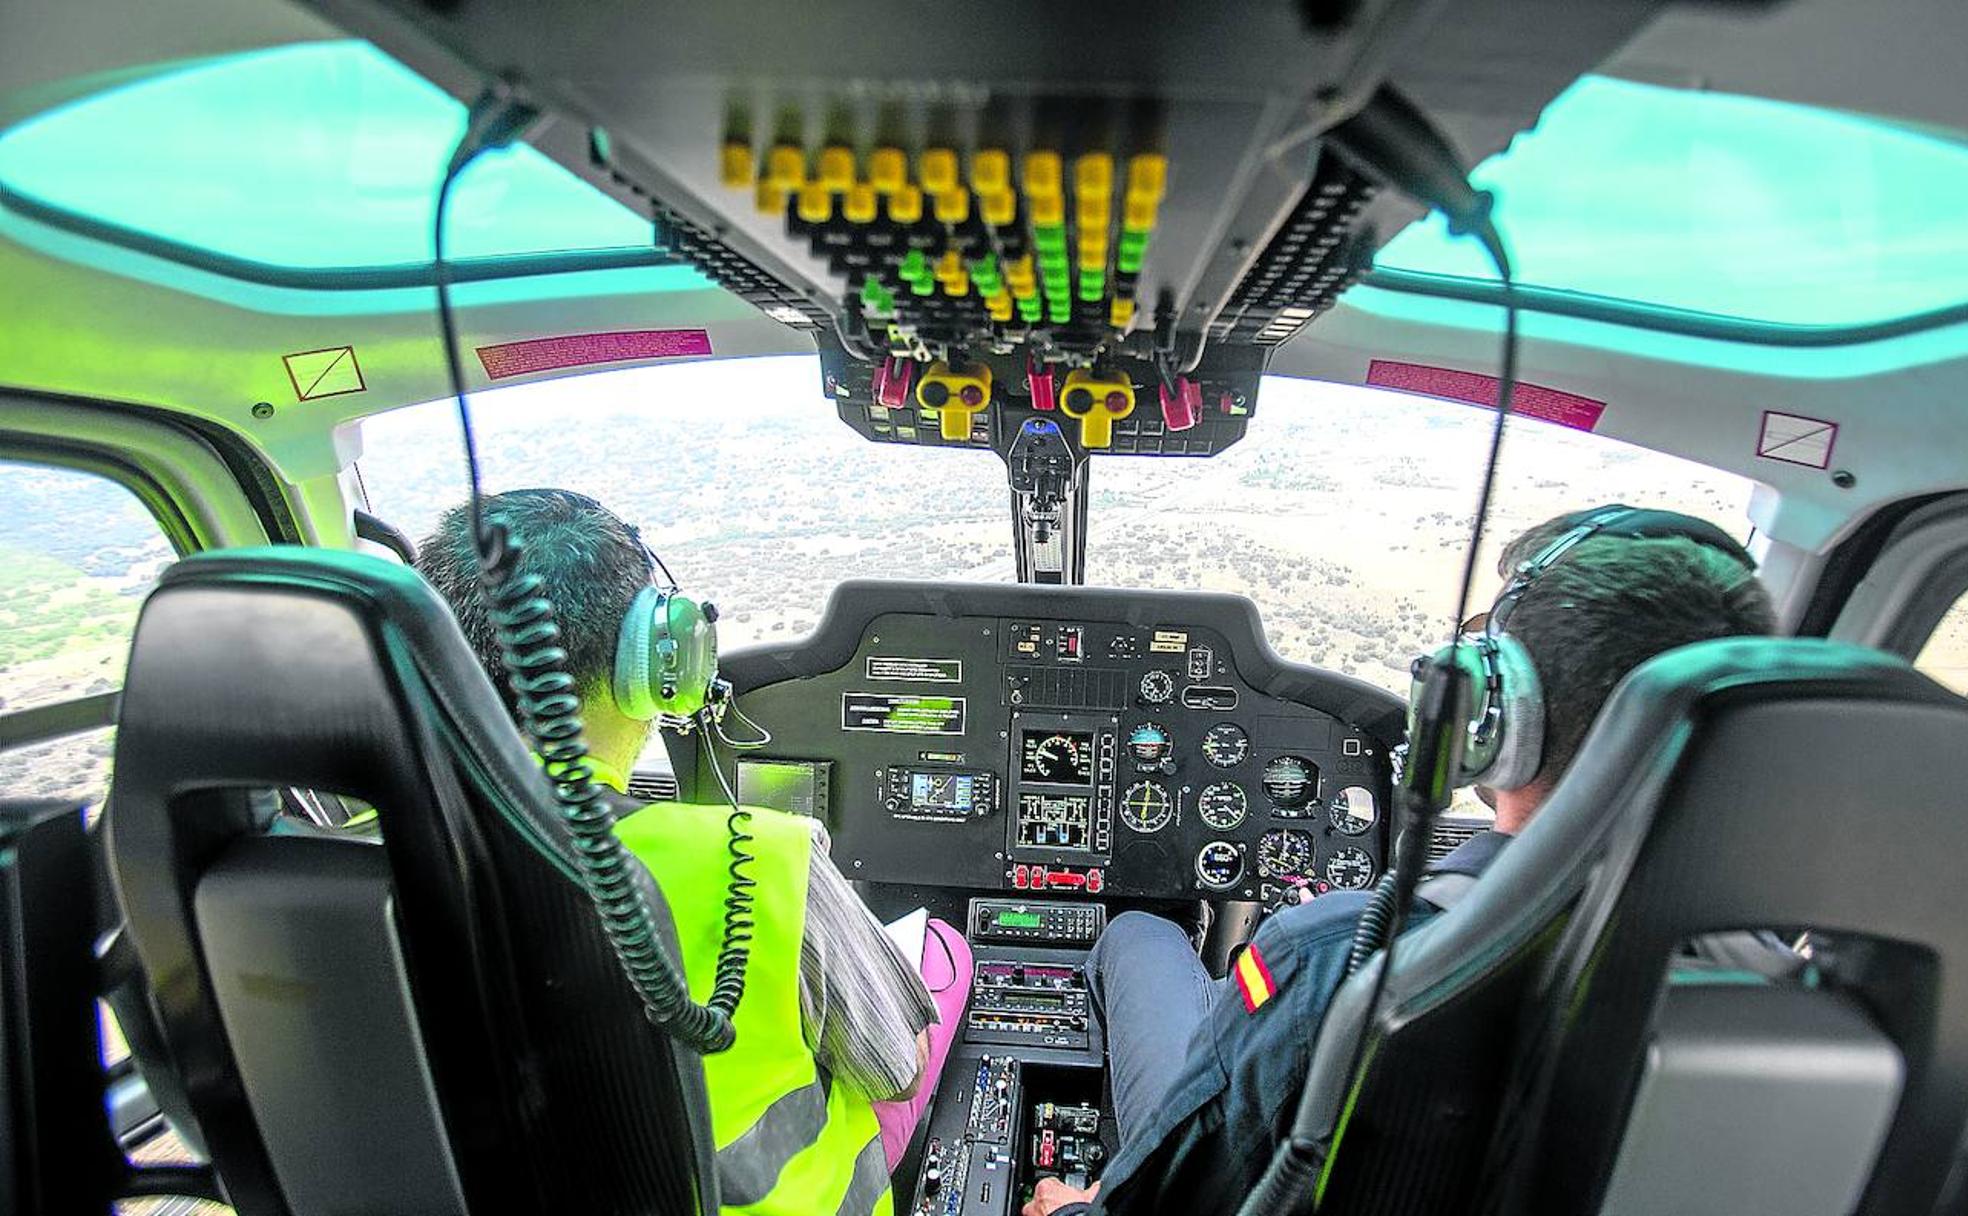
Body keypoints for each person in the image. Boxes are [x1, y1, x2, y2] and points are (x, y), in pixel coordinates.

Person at [1025, 505, 1778, 1216]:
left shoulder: (1339, 956)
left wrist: (1076, 1207)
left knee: (1141, 936)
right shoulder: (1791, 991)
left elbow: (1174, 1195)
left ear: (1496, 721)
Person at [415, 488, 972, 1214]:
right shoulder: (763, 859)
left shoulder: (349, 870)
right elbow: (899, 1071)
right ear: (658, 661)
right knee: (942, 954)